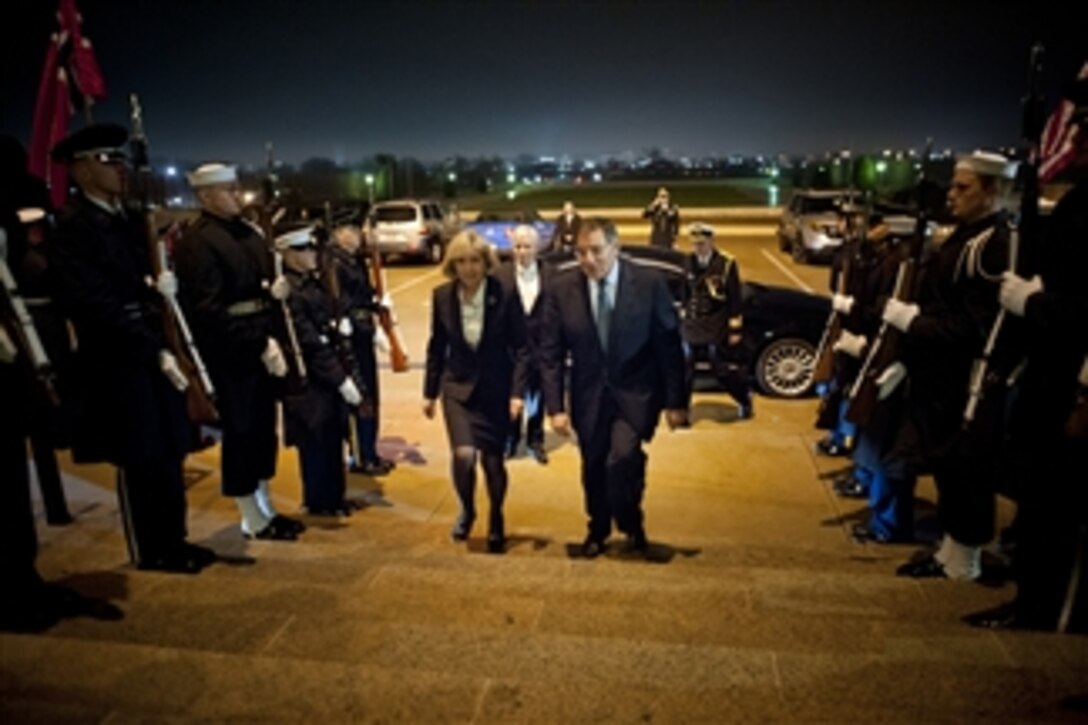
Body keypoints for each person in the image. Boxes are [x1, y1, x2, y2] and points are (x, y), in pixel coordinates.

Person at [47, 124, 216, 573]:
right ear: (82, 171)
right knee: (141, 452)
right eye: (108, 162)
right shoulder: (73, 226)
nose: (119, 169)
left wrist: (162, 290)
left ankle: (175, 539)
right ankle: (151, 548)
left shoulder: (125, 218)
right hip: (119, 356)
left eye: (119, 160)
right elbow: (90, 300)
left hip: (151, 345)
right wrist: (149, 345)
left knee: (170, 446)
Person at [965, 77, 1088, 632]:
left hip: (1071, 384)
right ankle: (1034, 596)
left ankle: (1047, 605)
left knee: (1055, 504)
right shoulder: (1080, 202)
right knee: (1039, 499)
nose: (1077, 130)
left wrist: (1036, 305)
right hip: (1049, 376)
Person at [883, 150, 1020, 581]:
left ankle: (966, 558)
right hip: (940, 377)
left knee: (965, 469)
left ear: (993, 190)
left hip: (965, 380)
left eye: (965, 188)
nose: (952, 195)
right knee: (946, 466)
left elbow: (973, 327)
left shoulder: (990, 245)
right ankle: (951, 547)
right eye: (954, 185)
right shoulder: (965, 238)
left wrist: (914, 323)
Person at [540, 218, 687, 558]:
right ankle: (598, 528)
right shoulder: (562, 289)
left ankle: (631, 519)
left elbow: (668, 346)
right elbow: (550, 354)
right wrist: (555, 407)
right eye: (581, 252)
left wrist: (676, 401)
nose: (588, 260)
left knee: (622, 459)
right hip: (588, 396)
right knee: (593, 466)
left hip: (635, 395)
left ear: (615, 249)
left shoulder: (648, 284)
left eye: (596, 251)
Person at [173, 163, 304, 542]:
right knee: (242, 429)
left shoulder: (247, 232)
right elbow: (207, 309)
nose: (236, 195)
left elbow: (258, 285)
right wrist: (257, 341)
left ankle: (265, 506)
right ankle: (250, 513)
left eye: (235, 187)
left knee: (264, 429)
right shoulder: (198, 242)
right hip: (232, 352)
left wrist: (272, 300)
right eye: (227, 189)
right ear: (206, 196)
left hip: (262, 340)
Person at [423, 229, 528, 554]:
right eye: (462, 262)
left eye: (475, 261)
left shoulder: (505, 293)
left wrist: (517, 393)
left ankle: (496, 516)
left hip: (495, 389)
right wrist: (429, 392)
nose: (469, 268)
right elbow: (436, 346)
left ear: (486, 263)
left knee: (493, 462)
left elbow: (523, 347)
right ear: (453, 265)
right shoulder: (442, 296)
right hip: (456, 387)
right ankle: (467, 509)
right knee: (464, 455)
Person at [277, 226, 359, 516]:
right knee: (315, 443)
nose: (312, 254)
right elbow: (309, 342)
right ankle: (319, 501)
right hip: (310, 382)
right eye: (303, 250)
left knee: (332, 438)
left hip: (326, 379)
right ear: (287, 255)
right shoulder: (290, 291)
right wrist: (340, 379)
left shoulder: (312, 283)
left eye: (312, 248)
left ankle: (334, 497)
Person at [328, 221, 395, 476]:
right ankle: (360, 455)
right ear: (339, 234)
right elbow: (339, 299)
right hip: (351, 336)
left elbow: (363, 296)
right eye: (353, 231)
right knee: (361, 395)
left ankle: (369, 451)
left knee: (370, 393)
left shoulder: (353, 260)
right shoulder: (335, 262)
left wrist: (377, 308)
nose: (359, 237)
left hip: (362, 330)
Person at [680, 222, 753, 419]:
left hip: (715, 323)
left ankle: (743, 398)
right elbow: (686, 292)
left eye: (702, 244)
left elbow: (734, 298)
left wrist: (735, 329)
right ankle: (683, 411)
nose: (698, 248)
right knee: (685, 365)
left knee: (718, 366)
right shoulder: (688, 261)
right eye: (695, 244)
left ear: (711, 242)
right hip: (692, 323)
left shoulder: (726, 264)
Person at [497, 224, 550, 463]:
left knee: (538, 396)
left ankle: (536, 439)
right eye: (517, 246)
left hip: (541, 347)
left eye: (527, 246)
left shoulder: (551, 274)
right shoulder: (500, 275)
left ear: (537, 248)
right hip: (511, 350)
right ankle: (510, 438)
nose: (522, 251)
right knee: (511, 395)